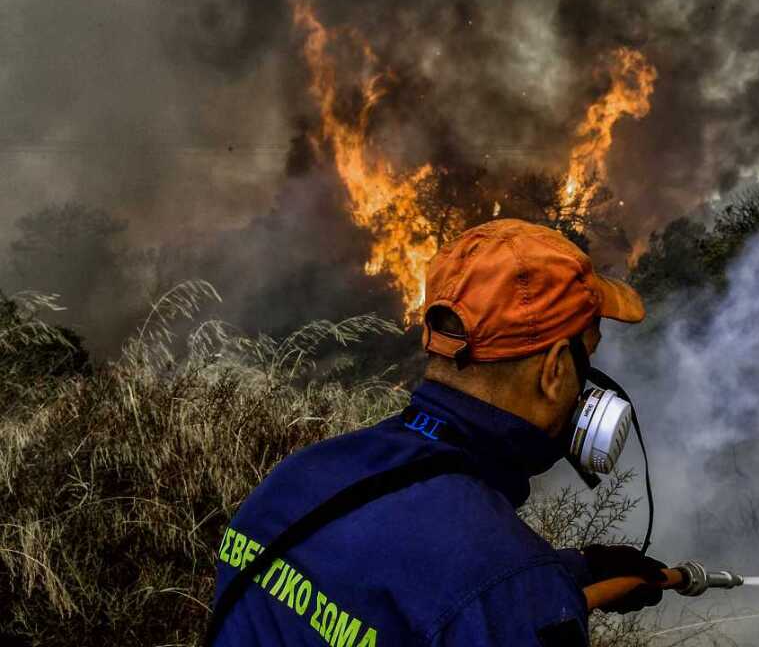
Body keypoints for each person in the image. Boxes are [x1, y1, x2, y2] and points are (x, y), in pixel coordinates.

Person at [210, 219, 665, 646]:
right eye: (588, 357)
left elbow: (382, 575)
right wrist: (537, 593)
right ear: (554, 371)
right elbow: (469, 591)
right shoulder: (511, 591)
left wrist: (569, 573)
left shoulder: (295, 479)